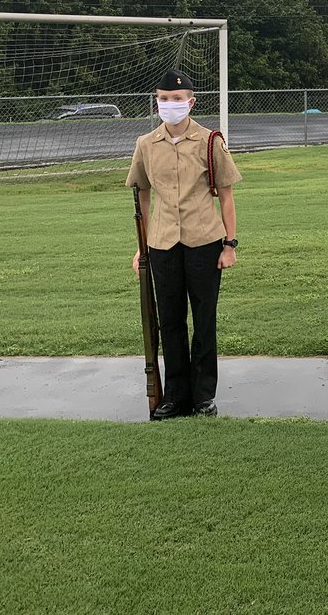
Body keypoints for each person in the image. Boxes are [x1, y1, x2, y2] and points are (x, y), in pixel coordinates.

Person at [127, 69, 241, 419]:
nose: (170, 104)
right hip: (163, 243)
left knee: (204, 319)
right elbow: (141, 195)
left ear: (191, 102)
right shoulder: (146, 145)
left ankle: (203, 395)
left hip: (204, 240)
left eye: (177, 99)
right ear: (156, 101)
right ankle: (175, 395)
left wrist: (230, 244)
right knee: (170, 320)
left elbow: (226, 195)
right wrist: (142, 246)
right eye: (163, 98)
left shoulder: (209, 141)